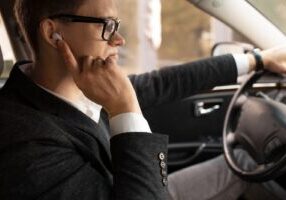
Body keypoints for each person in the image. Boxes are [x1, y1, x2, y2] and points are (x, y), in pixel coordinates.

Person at [0, 0, 286, 199]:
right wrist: (124, 107)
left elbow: (164, 83)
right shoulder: (23, 142)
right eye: (106, 25)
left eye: (117, 24)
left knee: (240, 164)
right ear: (53, 33)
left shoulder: (81, 88)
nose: (119, 39)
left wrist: (257, 59)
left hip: (136, 187)